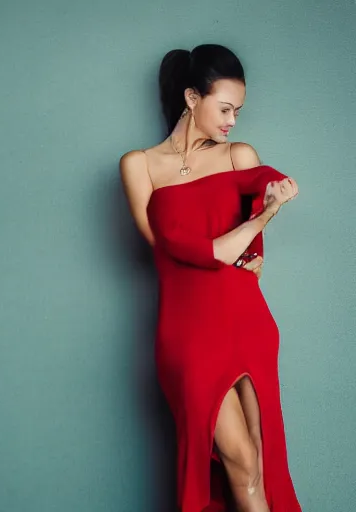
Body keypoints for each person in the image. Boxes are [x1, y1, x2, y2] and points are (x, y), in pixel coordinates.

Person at [119, 44, 302, 512]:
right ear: (190, 98)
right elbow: (170, 248)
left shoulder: (239, 156)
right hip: (189, 334)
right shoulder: (139, 165)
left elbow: (252, 250)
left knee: (261, 467)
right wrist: (258, 223)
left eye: (238, 111)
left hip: (248, 323)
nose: (232, 121)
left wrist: (267, 209)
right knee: (238, 462)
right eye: (225, 108)